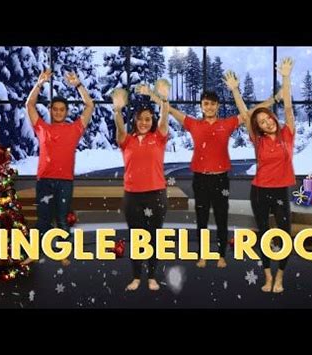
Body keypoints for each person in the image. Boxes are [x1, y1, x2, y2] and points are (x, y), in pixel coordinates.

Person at [141, 85, 278, 269]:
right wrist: (151, 94)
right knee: (202, 219)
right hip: (200, 180)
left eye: (213, 104)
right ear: (201, 106)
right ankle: (203, 255)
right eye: (206, 104)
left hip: (221, 179)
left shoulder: (226, 124)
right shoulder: (194, 124)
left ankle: (221, 256)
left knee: (222, 219)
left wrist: (272, 100)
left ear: (218, 106)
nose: (209, 107)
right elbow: (170, 110)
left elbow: (249, 114)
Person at [225, 58, 296, 293]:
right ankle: (267, 276)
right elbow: (245, 115)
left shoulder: (288, 133)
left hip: (280, 191)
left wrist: (285, 77)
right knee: (264, 234)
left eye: (268, 119)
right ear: (260, 128)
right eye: (262, 123)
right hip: (259, 191)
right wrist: (235, 90)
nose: (267, 123)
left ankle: (280, 277)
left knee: (285, 235)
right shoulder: (259, 140)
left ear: (274, 119)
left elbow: (287, 106)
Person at [25, 69, 94, 265]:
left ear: (66, 112)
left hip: (65, 182)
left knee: (62, 220)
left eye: (62, 109)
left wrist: (78, 85)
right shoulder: (42, 127)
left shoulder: (75, 129)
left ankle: (62, 252)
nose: (58, 112)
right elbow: (29, 104)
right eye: (54, 109)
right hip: (44, 181)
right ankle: (34, 252)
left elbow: (89, 105)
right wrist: (39, 84)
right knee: (43, 221)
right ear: (50, 110)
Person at [112, 80, 170, 291]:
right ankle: (137, 276)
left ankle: (152, 276)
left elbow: (165, 116)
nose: (144, 122)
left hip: (156, 195)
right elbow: (119, 125)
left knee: (154, 237)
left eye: (148, 119)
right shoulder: (126, 140)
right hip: (133, 196)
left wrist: (163, 99)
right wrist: (117, 110)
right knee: (137, 237)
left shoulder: (159, 138)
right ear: (135, 121)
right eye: (140, 119)